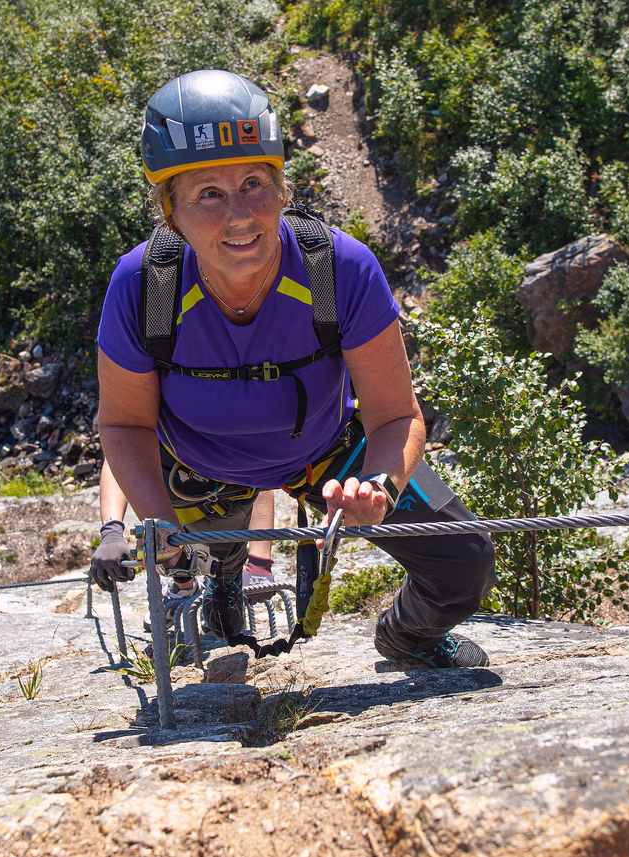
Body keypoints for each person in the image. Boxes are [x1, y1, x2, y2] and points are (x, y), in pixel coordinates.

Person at [94, 69, 496, 668]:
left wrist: (380, 486)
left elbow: (397, 416)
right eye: (208, 193)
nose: (240, 216)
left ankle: (406, 636)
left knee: (465, 557)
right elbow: (124, 427)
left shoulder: (341, 268)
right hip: (198, 467)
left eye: (255, 183)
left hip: (328, 451)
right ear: (170, 212)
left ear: (282, 188)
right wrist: (155, 525)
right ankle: (220, 594)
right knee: (223, 588)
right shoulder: (142, 286)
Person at [90, 459, 275, 607]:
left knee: (224, 622)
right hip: (169, 511)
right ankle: (183, 585)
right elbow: (119, 453)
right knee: (169, 552)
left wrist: (259, 560)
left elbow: (259, 479)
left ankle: (221, 580)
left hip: (225, 513)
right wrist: (111, 530)